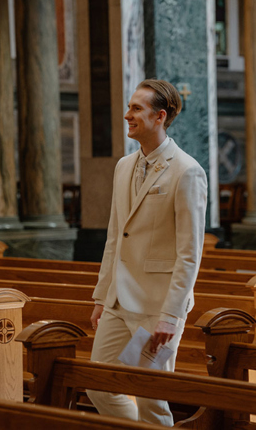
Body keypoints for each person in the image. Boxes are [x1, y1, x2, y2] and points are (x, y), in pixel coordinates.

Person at [86, 79, 208, 426]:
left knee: (151, 399)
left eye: (136, 109)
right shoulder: (124, 166)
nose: (128, 115)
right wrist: (101, 295)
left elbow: (190, 252)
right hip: (118, 301)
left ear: (160, 116)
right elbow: (115, 236)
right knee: (99, 387)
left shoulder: (187, 171)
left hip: (158, 307)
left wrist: (171, 315)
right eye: (129, 107)